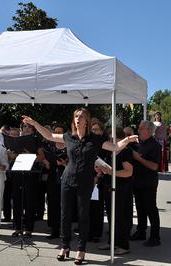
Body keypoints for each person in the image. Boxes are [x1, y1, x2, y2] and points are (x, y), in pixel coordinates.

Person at [22, 108, 138, 265]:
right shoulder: (69, 137)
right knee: (65, 215)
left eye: (81, 116)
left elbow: (115, 147)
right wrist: (34, 123)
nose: (78, 119)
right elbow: (49, 135)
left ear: (86, 121)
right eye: (76, 116)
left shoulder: (95, 139)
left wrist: (127, 140)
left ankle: (81, 249)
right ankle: (64, 246)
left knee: (83, 216)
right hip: (67, 180)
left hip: (85, 182)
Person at [98, 128, 134, 255]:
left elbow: (128, 172)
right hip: (109, 186)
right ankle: (111, 242)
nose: (110, 141)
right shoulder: (110, 152)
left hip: (121, 188)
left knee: (120, 217)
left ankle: (123, 245)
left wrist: (111, 172)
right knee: (111, 216)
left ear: (120, 139)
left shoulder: (126, 152)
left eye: (113, 139)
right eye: (109, 139)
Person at [130, 120, 162, 247]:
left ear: (149, 131)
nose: (138, 130)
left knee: (151, 209)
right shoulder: (140, 143)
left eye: (141, 128)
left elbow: (154, 166)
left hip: (149, 182)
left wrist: (139, 158)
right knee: (140, 208)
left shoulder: (155, 146)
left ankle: (155, 237)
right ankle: (141, 231)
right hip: (137, 180)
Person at [43, 125, 67, 239]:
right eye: (56, 131)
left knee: (65, 205)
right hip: (53, 177)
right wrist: (47, 162)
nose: (57, 133)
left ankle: (65, 230)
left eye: (60, 132)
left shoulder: (69, 146)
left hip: (66, 177)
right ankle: (54, 230)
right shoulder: (50, 146)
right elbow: (47, 158)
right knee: (52, 204)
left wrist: (65, 163)